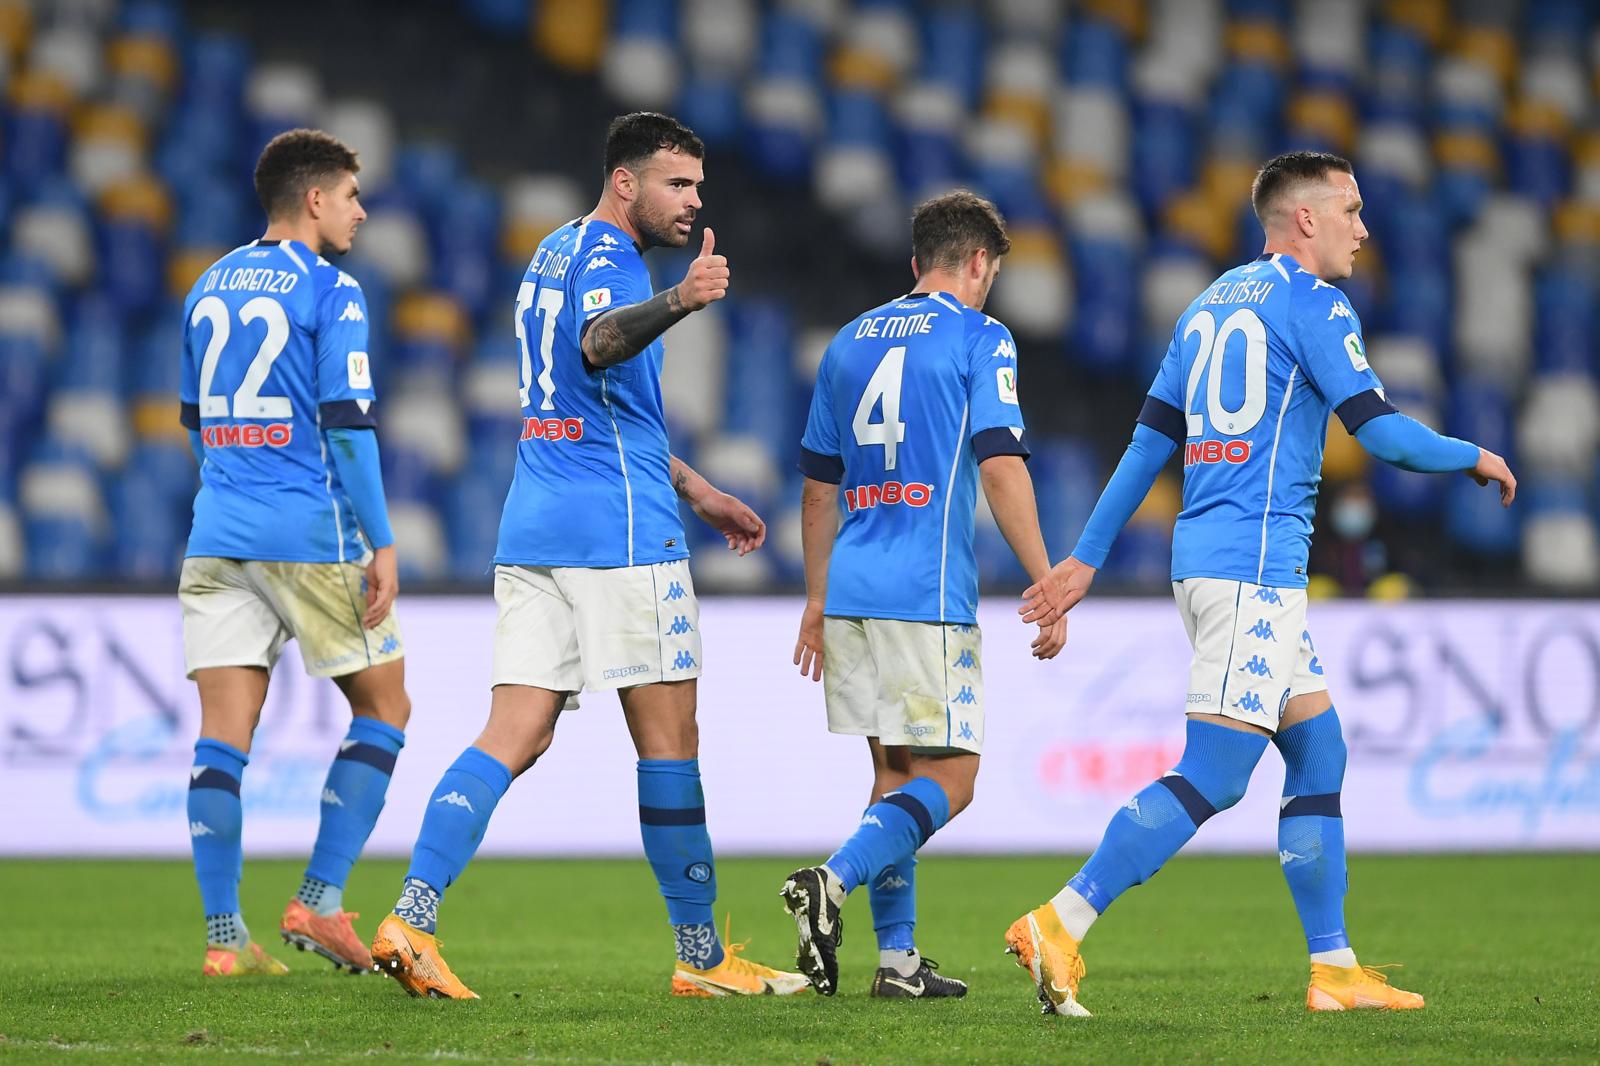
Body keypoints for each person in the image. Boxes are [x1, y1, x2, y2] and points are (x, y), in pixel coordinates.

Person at [1005, 150, 1516, 1017]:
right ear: (1305, 218)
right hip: (1252, 571)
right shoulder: (1314, 303)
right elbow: (1379, 432)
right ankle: (1060, 920)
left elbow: (1148, 445)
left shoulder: (1206, 305)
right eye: (1350, 209)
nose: (1364, 229)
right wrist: (1473, 454)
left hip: (1212, 563)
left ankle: (1334, 969)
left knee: (1319, 749)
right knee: (1217, 771)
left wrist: (1086, 557)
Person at [369, 112, 806, 1000]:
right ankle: (701, 957)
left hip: (536, 528)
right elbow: (600, 343)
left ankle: (411, 916)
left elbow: (596, 405)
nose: (693, 201)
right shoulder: (616, 261)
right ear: (624, 182)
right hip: (620, 534)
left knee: (513, 733)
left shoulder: (553, 251)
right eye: (677, 184)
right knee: (670, 741)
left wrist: (698, 487)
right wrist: (683, 298)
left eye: (698, 185)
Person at [781, 191, 1066, 999]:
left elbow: (818, 487)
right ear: (978, 262)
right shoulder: (981, 336)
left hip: (850, 587)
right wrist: (1046, 578)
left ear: (916, 263)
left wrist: (815, 598)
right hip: (923, 592)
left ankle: (897, 961)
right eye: (993, 273)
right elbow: (1000, 464)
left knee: (894, 775)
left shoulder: (846, 341)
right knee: (955, 777)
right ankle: (831, 881)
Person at [179, 129, 410, 978]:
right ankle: (318, 898)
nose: (360, 212)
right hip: (308, 533)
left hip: (216, 535)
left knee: (220, 741)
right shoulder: (333, 290)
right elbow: (347, 427)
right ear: (314, 200)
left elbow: (193, 423)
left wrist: (235, 489)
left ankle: (223, 938)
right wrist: (382, 540)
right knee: (386, 708)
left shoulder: (206, 283)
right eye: (351, 196)